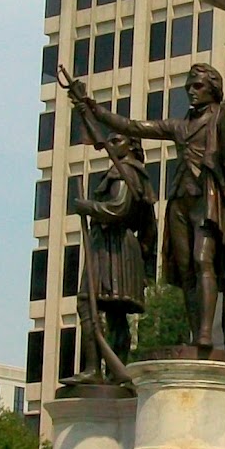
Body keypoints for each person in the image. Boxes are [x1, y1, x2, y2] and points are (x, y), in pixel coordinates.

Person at [78, 59, 225, 356]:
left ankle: (205, 333)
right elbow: (134, 126)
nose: (191, 91)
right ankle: (195, 333)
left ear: (213, 89)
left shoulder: (222, 116)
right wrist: (93, 108)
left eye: (198, 86)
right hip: (179, 200)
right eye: (189, 87)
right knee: (186, 270)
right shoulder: (180, 125)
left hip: (208, 200)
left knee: (204, 261)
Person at [69, 136, 157, 383]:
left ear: (131, 145)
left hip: (114, 245)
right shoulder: (131, 172)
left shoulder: (125, 171)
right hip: (116, 246)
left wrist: (88, 207)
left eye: (117, 139)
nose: (110, 143)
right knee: (114, 313)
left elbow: (119, 208)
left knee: (88, 302)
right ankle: (111, 371)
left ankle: (94, 368)